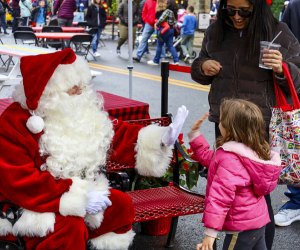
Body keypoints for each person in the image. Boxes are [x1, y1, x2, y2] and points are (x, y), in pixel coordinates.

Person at [0, 48, 188, 250]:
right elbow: (18, 182)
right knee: (69, 227)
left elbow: (117, 134)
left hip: (76, 193)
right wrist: (78, 197)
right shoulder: (15, 123)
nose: (81, 92)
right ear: (48, 91)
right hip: (25, 205)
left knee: (120, 206)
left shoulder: (78, 111)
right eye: (74, 88)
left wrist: (160, 139)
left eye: (83, 86)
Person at [190, 0, 300, 249]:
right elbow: (198, 67)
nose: (237, 17)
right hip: (226, 121)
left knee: (256, 194)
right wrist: (202, 67)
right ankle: (219, 240)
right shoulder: (216, 31)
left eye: (244, 11)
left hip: (259, 123)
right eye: (231, 10)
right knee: (223, 184)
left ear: (257, 8)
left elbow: (298, 76)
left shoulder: (278, 31)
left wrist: (281, 69)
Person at [189, 99, 281, 250]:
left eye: (221, 120)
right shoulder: (252, 151)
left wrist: (210, 233)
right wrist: (195, 135)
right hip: (258, 222)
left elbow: (220, 198)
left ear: (229, 128)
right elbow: (211, 159)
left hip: (240, 229)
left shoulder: (229, 157)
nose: (219, 123)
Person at [274, 0, 300, 228]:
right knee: (297, 143)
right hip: (299, 83)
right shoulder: (295, 7)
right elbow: (286, 45)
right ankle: (296, 202)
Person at [147, 0, 179, 66]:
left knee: (159, 45)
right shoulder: (172, 12)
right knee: (171, 46)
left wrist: (156, 24)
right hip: (171, 30)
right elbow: (174, 22)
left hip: (164, 30)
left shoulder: (166, 11)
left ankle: (156, 61)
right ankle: (176, 61)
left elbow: (160, 20)